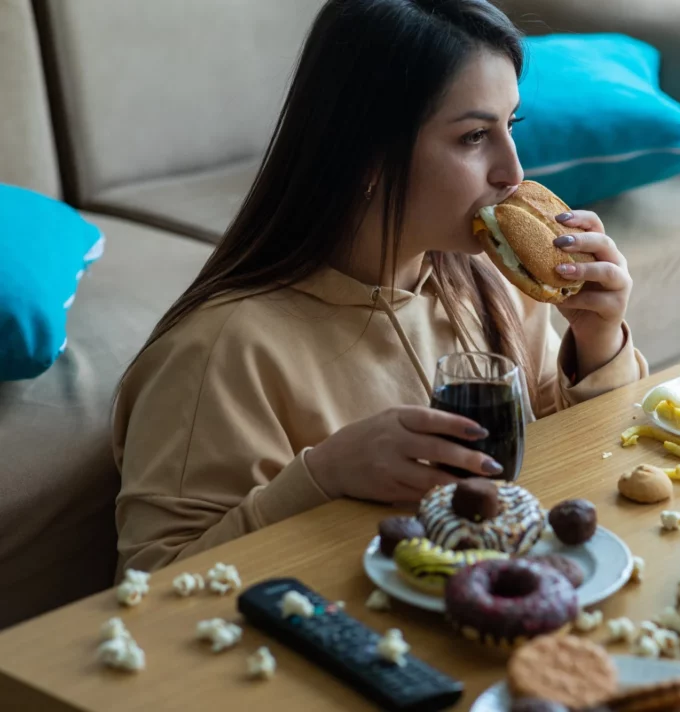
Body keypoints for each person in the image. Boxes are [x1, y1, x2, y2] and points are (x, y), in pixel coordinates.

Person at [112, 0, 646, 575]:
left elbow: (576, 475)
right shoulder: (218, 353)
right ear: (366, 155)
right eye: (472, 136)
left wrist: (599, 345)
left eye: (509, 126)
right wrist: (322, 478)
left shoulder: (498, 281)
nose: (513, 172)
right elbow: (149, 589)